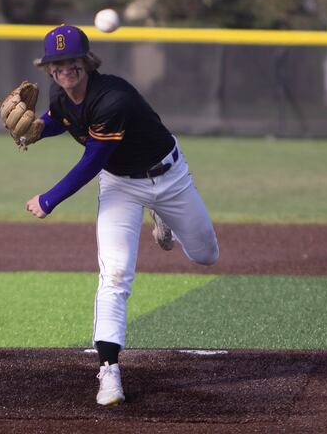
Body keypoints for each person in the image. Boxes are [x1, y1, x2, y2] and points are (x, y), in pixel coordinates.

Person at [23, 24, 219, 406]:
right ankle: (109, 371)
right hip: (121, 187)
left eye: (72, 60)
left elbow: (92, 160)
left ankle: (163, 215)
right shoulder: (59, 94)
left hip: (169, 178)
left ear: (87, 62)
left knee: (205, 255)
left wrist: (49, 199)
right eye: (56, 63)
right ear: (48, 68)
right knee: (114, 275)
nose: (65, 68)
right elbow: (60, 118)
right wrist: (35, 130)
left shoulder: (114, 99)